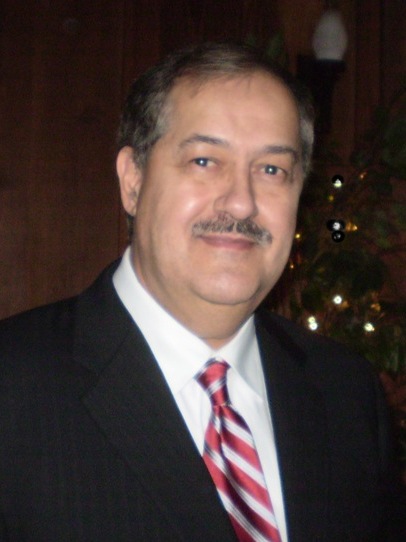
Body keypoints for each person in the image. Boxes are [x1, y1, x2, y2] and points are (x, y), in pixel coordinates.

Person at [0, 42, 403, 542]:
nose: (242, 202)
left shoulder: (347, 393)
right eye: (205, 160)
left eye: (272, 169)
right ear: (133, 180)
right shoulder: (13, 387)